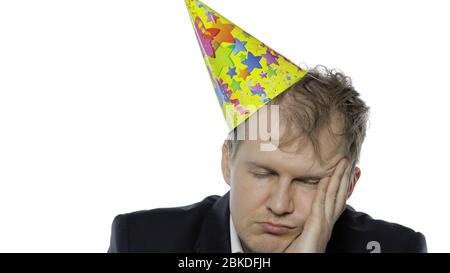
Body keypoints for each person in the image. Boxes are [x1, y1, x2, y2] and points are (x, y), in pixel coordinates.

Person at [108, 0, 427, 253]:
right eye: (263, 173)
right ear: (227, 161)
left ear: (348, 186)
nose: (279, 205)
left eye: (309, 182)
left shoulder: (398, 248)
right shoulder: (141, 242)